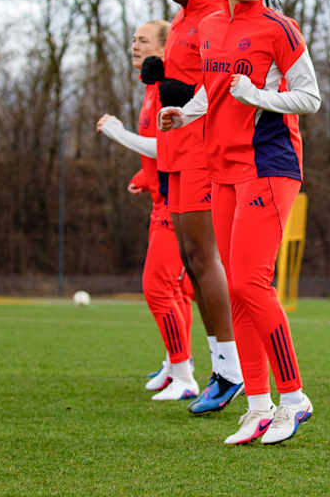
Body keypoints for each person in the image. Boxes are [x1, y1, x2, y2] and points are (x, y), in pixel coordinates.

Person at [160, 0, 320, 445]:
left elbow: (310, 98)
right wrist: (181, 114)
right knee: (235, 289)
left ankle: (294, 399)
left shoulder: (280, 27)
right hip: (220, 170)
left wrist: (260, 97)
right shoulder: (208, 26)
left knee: (251, 283)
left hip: (270, 166)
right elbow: (214, 96)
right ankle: (257, 405)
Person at [156, 0, 246, 414]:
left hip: (200, 154)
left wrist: (187, 95)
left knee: (203, 258)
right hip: (173, 153)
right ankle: (223, 365)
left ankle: (231, 369)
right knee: (191, 262)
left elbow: (218, 88)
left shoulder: (215, 16)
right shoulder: (185, 17)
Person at [96, 20, 199, 401]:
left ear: (164, 46)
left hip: (177, 203)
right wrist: (145, 176)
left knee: (157, 288)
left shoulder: (170, 88)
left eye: (143, 40)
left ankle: (186, 376)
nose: (134, 45)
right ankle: (176, 367)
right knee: (177, 290)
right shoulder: (151, 86)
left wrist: (117, 132)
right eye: (134, 39)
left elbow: (168, 147)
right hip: (163, 198)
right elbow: (155, 153)